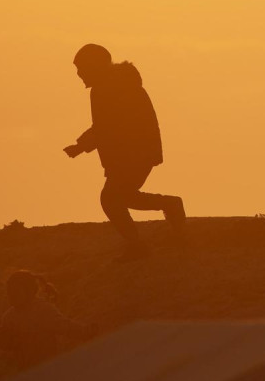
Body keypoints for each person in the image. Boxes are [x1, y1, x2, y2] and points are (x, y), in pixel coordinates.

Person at [63, 44, 185, 262]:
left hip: (132, 155)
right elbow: (105, 126)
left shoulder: (109, 88)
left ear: (94, 66)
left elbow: (107, 126)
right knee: (124, 197)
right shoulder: (114, 85)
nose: (79, 73)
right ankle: (170, 207)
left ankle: (138, 245)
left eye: (81, 68)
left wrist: (81, 146)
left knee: (111, 199)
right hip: (133, 154)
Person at [0, 270, 93, 370]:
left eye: (16, 292)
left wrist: (85, 332)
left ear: (29, 291)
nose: (11, 296)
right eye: (9, 292)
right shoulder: (9, 317)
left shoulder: (43, 310)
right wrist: (4, 339)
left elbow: (64, 326)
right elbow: (5, 345)